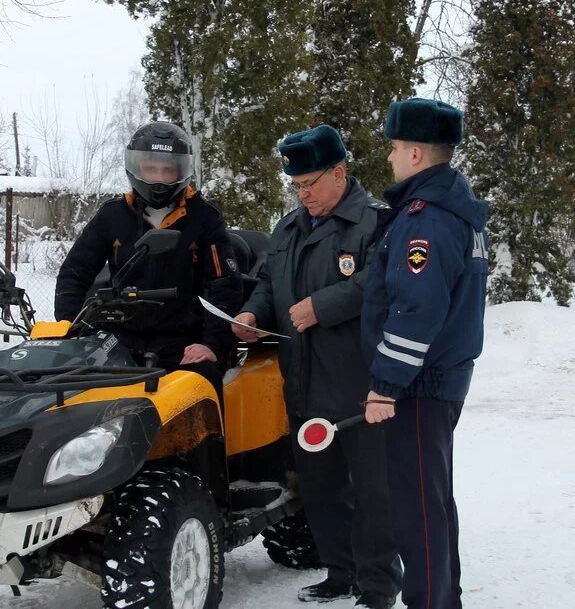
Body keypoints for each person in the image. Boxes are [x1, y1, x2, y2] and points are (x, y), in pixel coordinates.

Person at [231, 124, 401, 609]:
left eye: (310, 183)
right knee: (321, 489)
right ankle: (340, 572)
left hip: (360, 384)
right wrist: (250, 314)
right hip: (303, 384)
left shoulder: (376, 223)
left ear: (340, 172)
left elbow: (385, 281)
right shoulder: (287, 228)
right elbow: (268, 285)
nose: (302, 193)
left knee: (373, 492)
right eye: (296, 185)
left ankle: (378, 585)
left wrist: (323, 306)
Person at [360, 98, 489, 609]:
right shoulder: (448, 207)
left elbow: (418, 310)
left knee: (417, 510)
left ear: (415, 154)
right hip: (436, 380)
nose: (389, 158)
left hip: (418, 384)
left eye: (393, 148)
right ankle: (443, 599)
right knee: (431, 500)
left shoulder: (426, 218)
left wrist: (385, 385)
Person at [54, 121, 242, 399]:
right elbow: (75, 274)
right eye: (151, 169)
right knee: (75, 395)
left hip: (183, 340)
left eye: (168, 170)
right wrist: (68, 329)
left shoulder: (204, 217)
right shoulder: (112, 216)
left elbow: (224, 285)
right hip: (119, 337)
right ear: (137, 168)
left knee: (202, 391)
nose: (159, 178)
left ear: (181, 171)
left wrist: (212, 345)